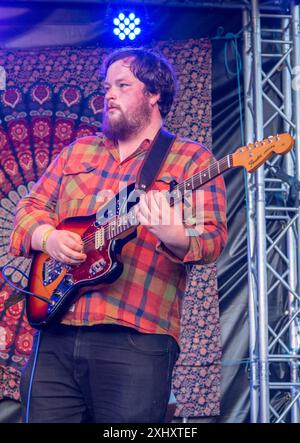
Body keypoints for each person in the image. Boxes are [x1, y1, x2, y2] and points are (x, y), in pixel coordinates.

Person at [9, 47, 227, 423]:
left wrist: (172, 232)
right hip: (56, 332)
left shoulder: (190, 160)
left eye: (122, 85)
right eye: (106, 86)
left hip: (136, 339)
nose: (108, 94)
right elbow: (28, 210)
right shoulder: (77, 152)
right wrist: (49, 238)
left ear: (154, 94)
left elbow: (211, 240)